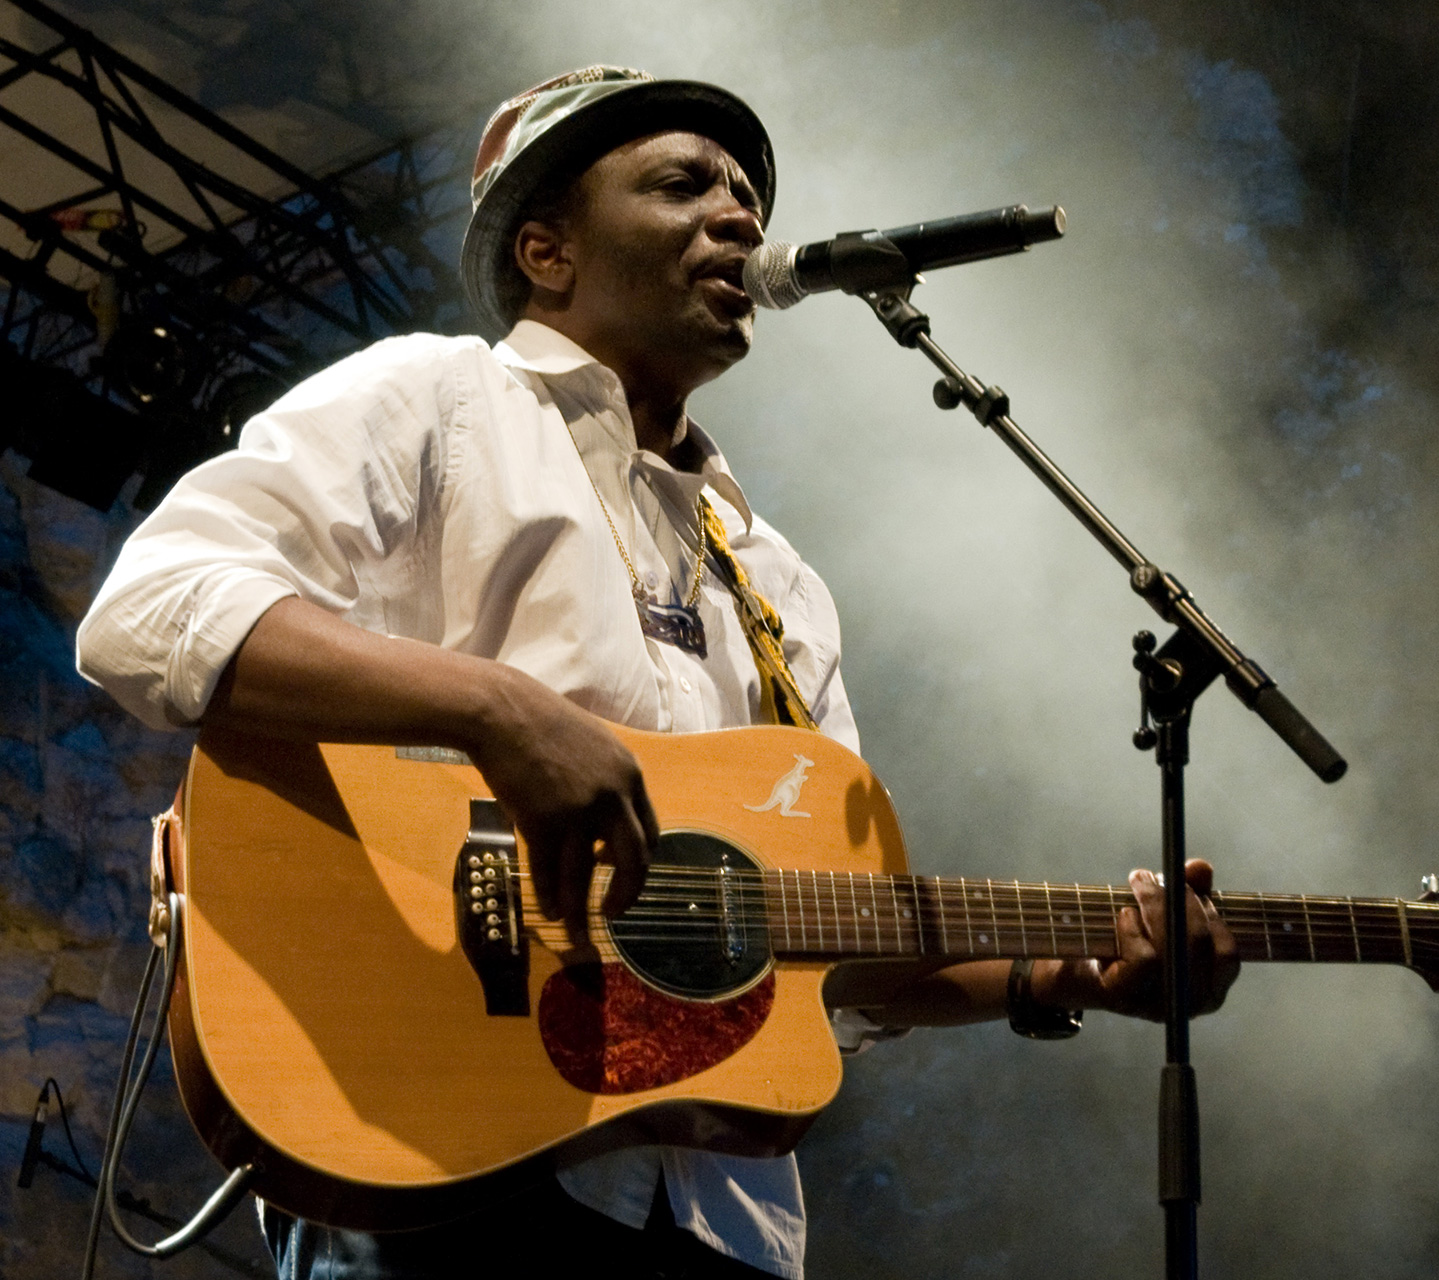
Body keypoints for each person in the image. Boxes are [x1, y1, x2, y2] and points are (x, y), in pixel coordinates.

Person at [75, 66, 1240, 1279]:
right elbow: (151, 607)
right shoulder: (439, 400)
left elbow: (831, 928)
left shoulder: (777, 578)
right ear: (547, 249)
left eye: (746, 194)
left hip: (720, 1220)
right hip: (436, 1163)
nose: (740, 216)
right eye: (686, 184)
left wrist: (1074, 974)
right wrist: (495, 706)